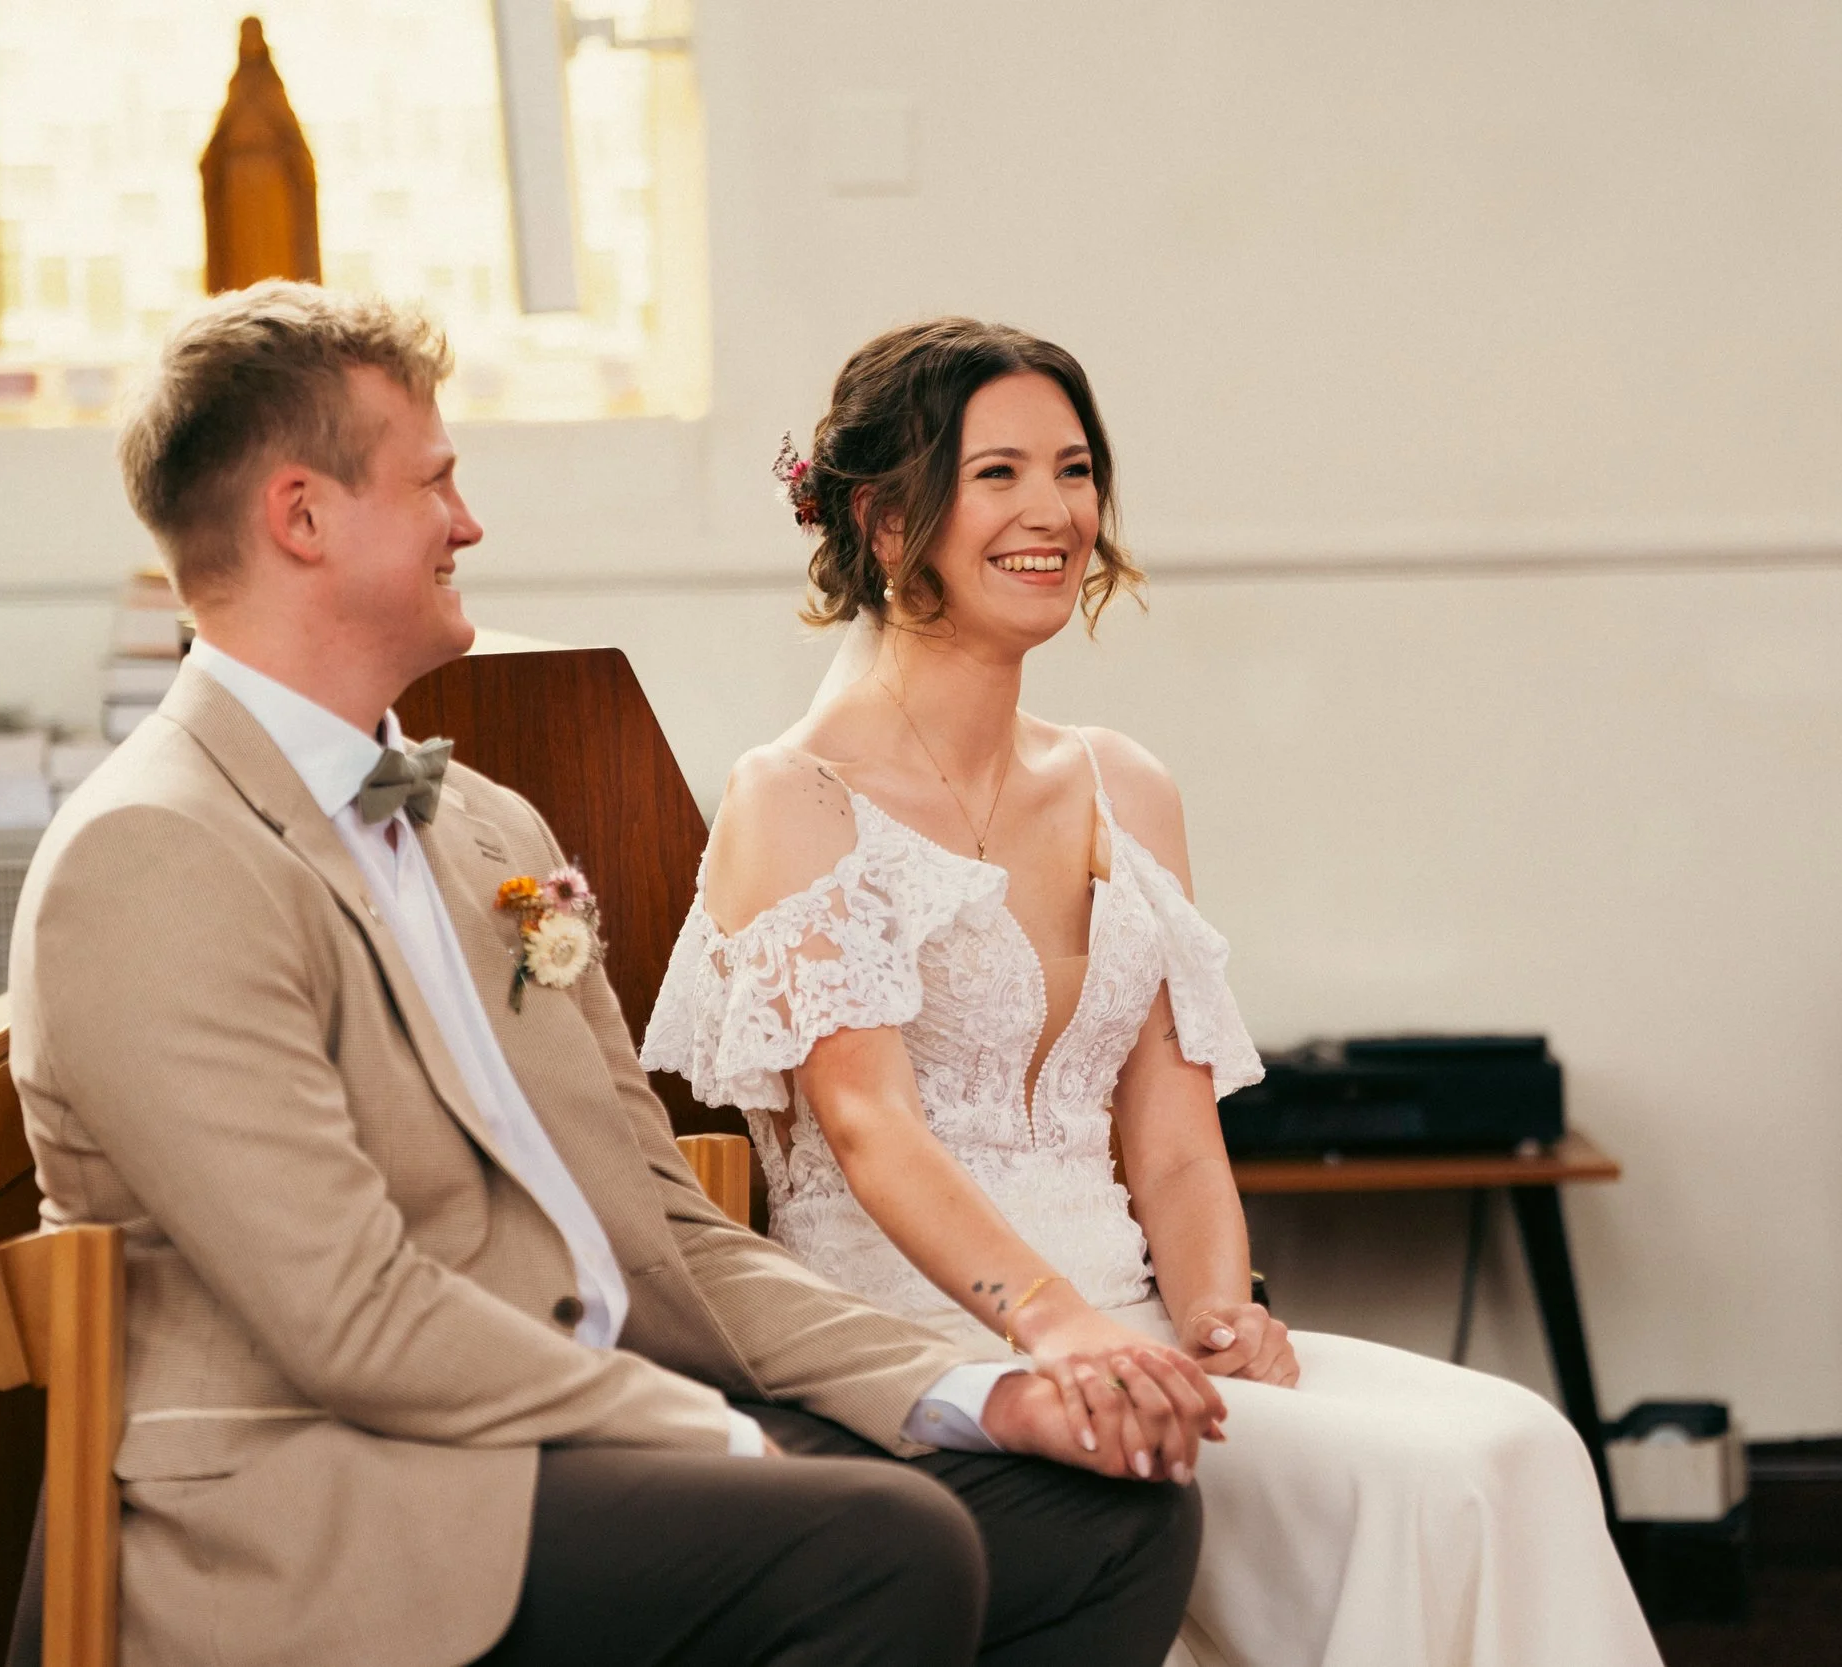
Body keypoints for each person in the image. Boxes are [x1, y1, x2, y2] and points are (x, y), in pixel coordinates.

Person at [9, 282, 1208, 1667]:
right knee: (880, 1549)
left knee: (1111, 1514)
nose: (471, 524)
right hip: (340, 1494)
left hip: (569, 1432)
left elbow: (662, 1220)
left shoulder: (484, 831)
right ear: (302, 516)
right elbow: (349, 1315)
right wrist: (717, 1436)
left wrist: (972, 1390)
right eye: (436, 484)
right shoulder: (154, 852)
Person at [642, 317, 1665, 1667]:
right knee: (1446, 1486)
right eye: (998, 472)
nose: (1055, 512)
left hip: (1140, 1322)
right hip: (940, 1352)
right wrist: (1060, 1331)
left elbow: (1174, 1139)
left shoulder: (1127, 782)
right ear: (889, 519)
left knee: (1521, 1442)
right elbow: (870, 1127)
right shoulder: (795, 796)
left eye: (1074, 469)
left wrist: (1216, 1309)